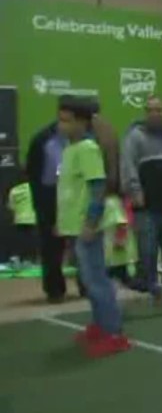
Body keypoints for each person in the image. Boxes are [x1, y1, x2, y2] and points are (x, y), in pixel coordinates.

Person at [56, 95, 131, 358]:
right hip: (74, 227)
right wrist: (62, 224)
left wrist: (91, 222)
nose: (60, 126)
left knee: (97, 280)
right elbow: (68, 191)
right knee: (89, 280)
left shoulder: (88, 149)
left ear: (82, 122)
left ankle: (114, 333)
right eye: (60, 120)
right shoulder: (69, 150)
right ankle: (100, 326)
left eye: (66, 121)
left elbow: (97, 187)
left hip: (86, 227)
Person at [121, 96, 162, 304]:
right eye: (150, 110)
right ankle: (150, 284)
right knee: (147, 247)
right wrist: (134, 192)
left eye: (159, 110)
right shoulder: (134, 138)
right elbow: (128, 166)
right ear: (145, 113)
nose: (155, 114)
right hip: (146, 203)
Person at [24, 111, 69, 302]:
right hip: (49, 196)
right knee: (51, 245)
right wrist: (41, 204)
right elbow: (33, 172)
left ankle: (87, 286)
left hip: (76, 195)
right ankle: (54, 288)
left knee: (82, 243)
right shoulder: (42, 140)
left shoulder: (85, 139)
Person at [5, 168, 37, 268]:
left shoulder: (14, 190)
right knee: (31, 241)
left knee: (20, 241)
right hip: (32, 219)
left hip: (19, 219)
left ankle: (19, 260)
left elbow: (10, 207)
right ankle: (30, 261)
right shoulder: (33, 188)